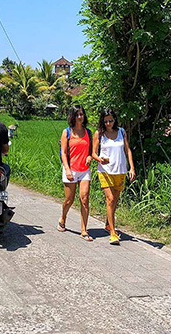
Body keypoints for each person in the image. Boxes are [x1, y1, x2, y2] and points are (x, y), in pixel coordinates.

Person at [92, 108, 135, 245]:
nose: (108, 123)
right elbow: (93, 153)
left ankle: (107, 224)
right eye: (105, 121)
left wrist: (132, 168)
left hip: (120, 170)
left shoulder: (121, 132)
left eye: (110, 120)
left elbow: (127, 150)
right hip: (105, 170)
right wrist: (99, 159)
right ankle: (113, 233)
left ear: (114, 120)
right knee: (110, 199)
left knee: (114, 201)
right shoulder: (99, 134)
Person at [58, 105, 94, 241]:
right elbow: (63, 152)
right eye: (78, 114)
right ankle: (63, 218)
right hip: (71, 169)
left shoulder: (88, 132)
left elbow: (92, 150)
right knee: (69, 200)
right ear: (73, 116)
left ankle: (84, 230)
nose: (80, 117)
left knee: (84, 199)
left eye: (82, 114)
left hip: (84, 170)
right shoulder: (67, 132)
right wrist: (67, 169)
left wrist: (90, 156)